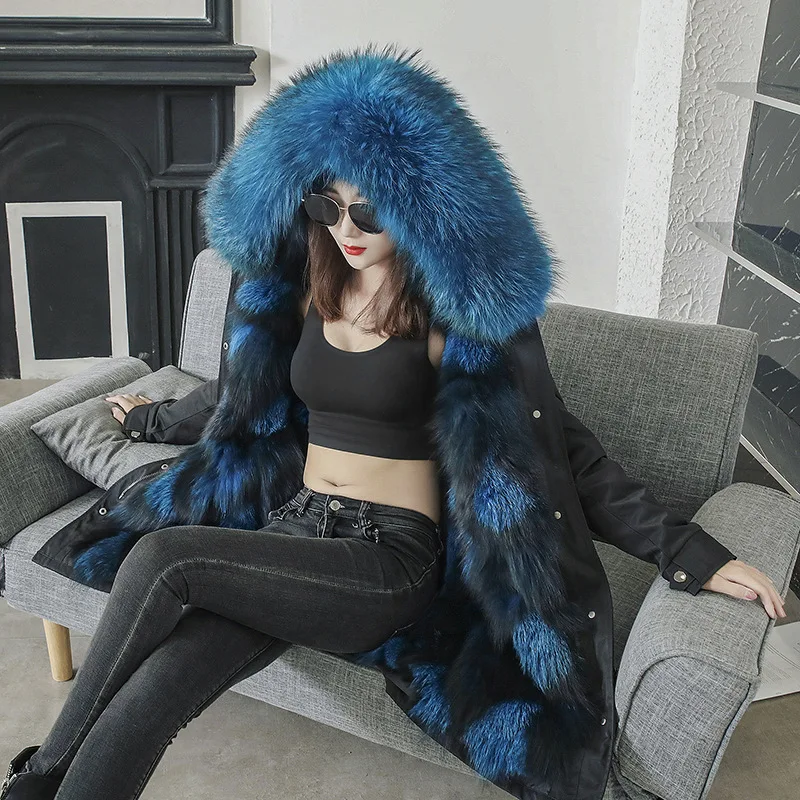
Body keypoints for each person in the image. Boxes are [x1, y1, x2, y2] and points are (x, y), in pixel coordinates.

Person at [5, 45, 785, 800]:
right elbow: (244, 399)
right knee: (159, 686)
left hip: (386, 557)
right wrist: (155, 419)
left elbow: (562, 450)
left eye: (370, 209)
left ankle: (36, 779)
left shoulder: (454, 325)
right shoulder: (305, 295)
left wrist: (688, 552)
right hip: (292, 530)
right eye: (328, 205)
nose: (347, 227)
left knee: (162, 558)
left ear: (415, 206)